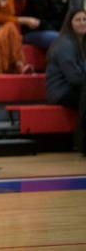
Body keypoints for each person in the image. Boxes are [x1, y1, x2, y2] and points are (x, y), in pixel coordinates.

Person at [45, 9, 86, 155]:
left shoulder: (83, 42)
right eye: (78, 20)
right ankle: (82, 142)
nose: (82, 23)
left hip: (78, 88)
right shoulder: (65, 45)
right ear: (70, 23)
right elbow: (75, 78)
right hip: (61, 91)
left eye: (84, 19)